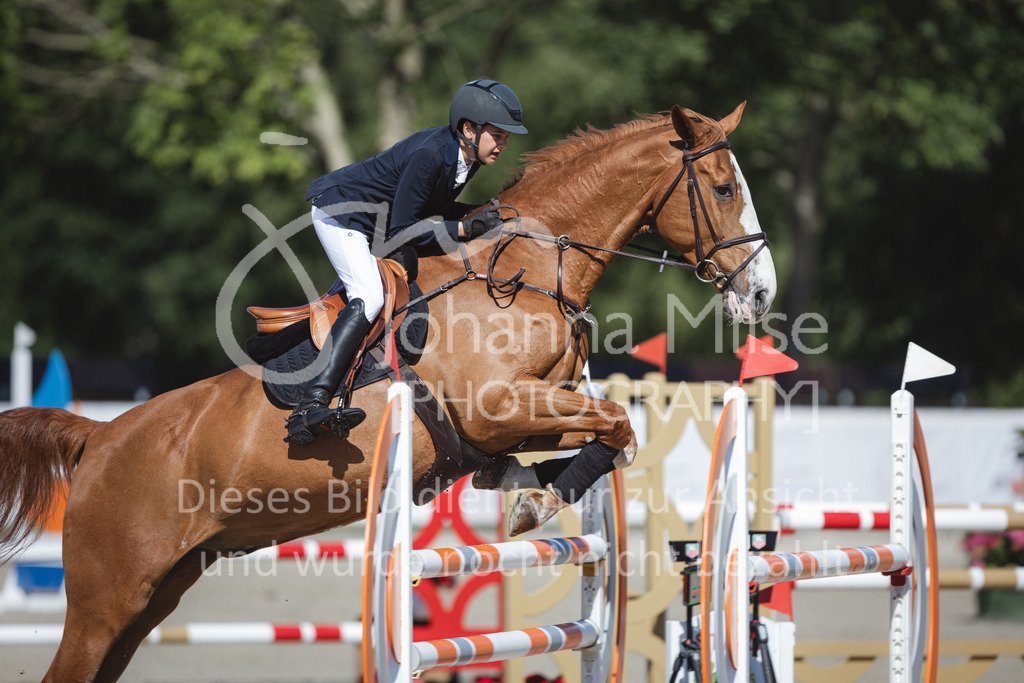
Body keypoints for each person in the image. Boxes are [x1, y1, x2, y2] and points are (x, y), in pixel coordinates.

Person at [286, 79, 528, 445]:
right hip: (341, 213)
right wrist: (464, 229)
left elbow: (434, 207)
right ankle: (309, 405)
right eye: (498, 135)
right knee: (369, 296)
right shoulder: (430, 155)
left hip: (375, 222)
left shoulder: (466, 157)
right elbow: (402, 230)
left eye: (506, 137)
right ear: (469, 129)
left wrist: (484, 214)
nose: (504, 144)